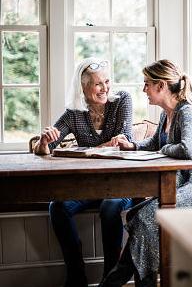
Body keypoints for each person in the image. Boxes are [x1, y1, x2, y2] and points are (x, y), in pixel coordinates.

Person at [99, 59, 192, 287]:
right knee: (136, 216)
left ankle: (116, 281)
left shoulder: (190, 112)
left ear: (161, 86)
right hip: (183, 184)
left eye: (147, 83)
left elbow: (189, 150)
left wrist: (162, 148)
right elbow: (154, 142)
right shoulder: (166, 114)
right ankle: (135, 281)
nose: (143, 89)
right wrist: (133, 146)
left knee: (147, 217)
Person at [33, 57, 135, 287]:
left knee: (111, 206)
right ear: (83, 87)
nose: (105, 88)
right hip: (89, 186)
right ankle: (76, 275)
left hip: (122, 182)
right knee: (58, 206)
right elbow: (47, 147)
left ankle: (111, 278)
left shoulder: (122, 101)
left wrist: (91, 149)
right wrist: (43, 142)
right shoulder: (74, 113)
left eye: (107, 81)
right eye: (98, 84)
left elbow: (124, 140)